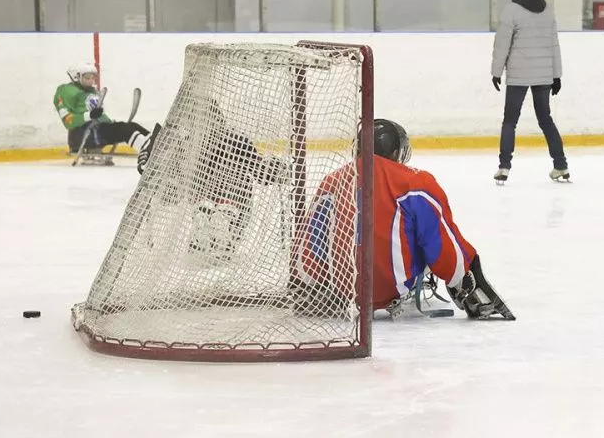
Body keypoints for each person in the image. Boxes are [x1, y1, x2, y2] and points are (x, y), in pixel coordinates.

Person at [297, 119, 514, 320]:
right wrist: (461, 275)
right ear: (395, 152)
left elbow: (310, 245)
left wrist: (318, 283)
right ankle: (471, 293)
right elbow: (442, 247)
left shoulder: (332, 181)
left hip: (343, 289)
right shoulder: (416, 182)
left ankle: (318, 292)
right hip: (392, 286)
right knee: (433, 235)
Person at [138, 100, 286, 262]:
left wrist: (150, 167)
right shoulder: (228, 140)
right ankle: (218, 224)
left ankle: (213, 224)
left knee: (218, 184)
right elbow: (260, 172)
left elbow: (170, 195)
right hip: (228, 210)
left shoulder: (190, 143)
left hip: (222, 207)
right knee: (215, 187)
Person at [490, 0, 568, 184]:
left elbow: (501, 45)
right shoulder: (548, 10)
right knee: (546, 119)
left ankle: (504, 167)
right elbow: (554, 44)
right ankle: (560, 165)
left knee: (510, 121)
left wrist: (496, 72)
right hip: (544, 75)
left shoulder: (511, 11)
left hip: (518, 75)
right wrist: (556, 75)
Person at [53, 63, 153, 160]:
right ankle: (148, 152)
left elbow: (99, 115)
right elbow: (68, 121)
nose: (91, 80)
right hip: (82, 135)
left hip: (97, 130)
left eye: (93, 77)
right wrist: (89, 116)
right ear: (76, 76)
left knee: (132, 126)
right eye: (87, 77)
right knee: (124, 129)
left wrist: (109, 122)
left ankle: (156, 145)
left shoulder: (91, 91)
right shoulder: (66, 91)